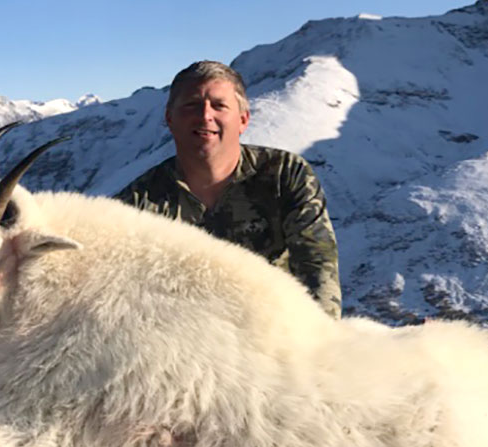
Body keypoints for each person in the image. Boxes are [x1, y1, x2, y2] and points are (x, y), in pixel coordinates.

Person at [114, 61, 342, 318]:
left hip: (274, 334)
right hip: (185, 343)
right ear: (169, 118)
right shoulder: (137, 203)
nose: (205, 115)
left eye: (219, 105)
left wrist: (319, 343)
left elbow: (318, 268)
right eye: (192, 105)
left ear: (243, 120)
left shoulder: (285, 174)